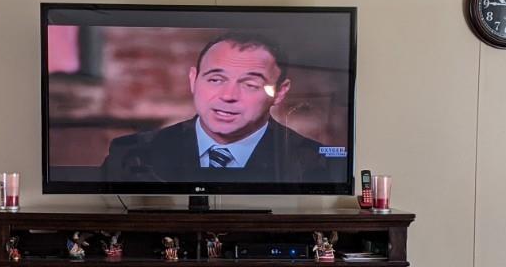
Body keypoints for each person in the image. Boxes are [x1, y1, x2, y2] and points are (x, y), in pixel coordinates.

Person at [99, 32, 346, 183]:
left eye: (249, 84)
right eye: (215, 79)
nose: (228, 96)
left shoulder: (316, 162)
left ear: (280, 92)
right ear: (194, 80)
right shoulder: (131, 155)